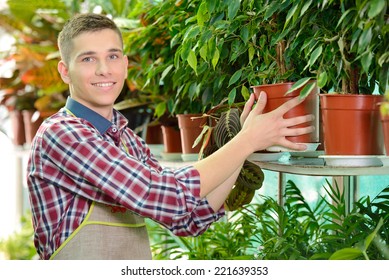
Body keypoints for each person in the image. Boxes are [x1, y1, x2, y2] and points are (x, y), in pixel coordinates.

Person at [27, 13, 314, 260]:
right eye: (88, 58)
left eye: (112, 56)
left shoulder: (126, 140)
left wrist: (240, 140)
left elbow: (190, 219)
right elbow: (164, 196)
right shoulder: (62, 135)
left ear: (125, 65)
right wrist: (248, 140)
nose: (104, 69)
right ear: (65, 71)